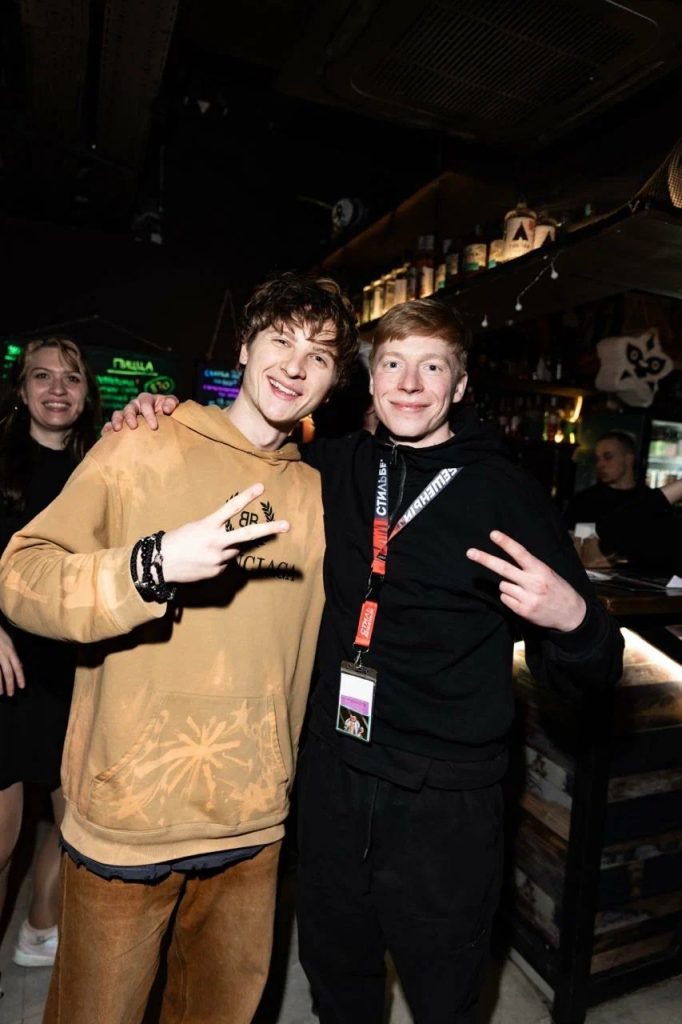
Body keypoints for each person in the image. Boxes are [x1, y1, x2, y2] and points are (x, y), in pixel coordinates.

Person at [107, 297, 623, 1024]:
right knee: (336, 975)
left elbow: (594, 675)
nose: (410, 384)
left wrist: (574, 620)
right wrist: (166, 414)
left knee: (443, 993)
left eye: (431, 367)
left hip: (444, 797)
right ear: (371, 380)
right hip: (335, 775)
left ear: (459, 386)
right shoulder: (333, 466)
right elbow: (243, 453)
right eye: (393, 364)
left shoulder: (508, 493)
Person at [0, 272, 358, 1024]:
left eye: (320, 356)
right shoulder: (144, 443)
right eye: (281, 341)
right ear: (244, 346)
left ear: (334, 382)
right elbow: (22, 576)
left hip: (253, 820)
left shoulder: (321, 496)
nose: (296, 367)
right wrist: (150, 566)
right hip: (128, 818)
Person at [0, 337, 101, 978]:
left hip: (77, 669)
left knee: (81, 824)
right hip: (6, 670)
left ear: (87, 394)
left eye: (71, 377)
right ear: (21, 389)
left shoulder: (103, 467)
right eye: (42, 376)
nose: (57, 389)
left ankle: (40, 926)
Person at [564, 430, 647, 531]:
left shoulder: (648, 502)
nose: (600, 464)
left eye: (608, 457)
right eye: (598, 459)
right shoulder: (584, 503)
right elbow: (578, 539)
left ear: (628, 459)